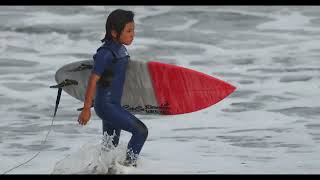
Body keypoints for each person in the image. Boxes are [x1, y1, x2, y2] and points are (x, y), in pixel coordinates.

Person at [77, 9, 148, 167]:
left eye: (133, 30)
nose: (133, 34)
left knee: (110, 148)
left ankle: (103, 169)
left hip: (113, 105)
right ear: (114, 33)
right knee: (141, 131)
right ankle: (129, 168)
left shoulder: (121, 49)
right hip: (107, 106)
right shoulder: (105, 53)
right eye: (129, 31)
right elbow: (92, 81)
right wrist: (86, 109)